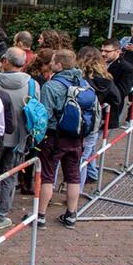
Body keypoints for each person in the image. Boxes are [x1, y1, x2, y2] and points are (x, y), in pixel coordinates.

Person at [37, 49, 93, 230]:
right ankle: (71, 215)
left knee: (47, 175)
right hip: (76, 137)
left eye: (53, 61)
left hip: (55, 136)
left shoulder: (51, 86)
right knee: (73, 176)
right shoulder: (84, 83)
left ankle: (41, 215)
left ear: (59, 65)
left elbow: (45, 115)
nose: (50, 63)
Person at [0, 48, 39, 229]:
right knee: (9, 176)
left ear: (5, 61)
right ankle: (2, 214)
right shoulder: (33, 85)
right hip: (19, 139)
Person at [77, 46, 121, 189]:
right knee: (85, 156)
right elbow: (117, 98)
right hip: (95, 120)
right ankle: (79, 189)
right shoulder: (107, 78)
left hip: (76, 119)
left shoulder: (78, 77)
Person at [101, 39, 133, 127]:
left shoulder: (126, 68)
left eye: (107, 51)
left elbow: (122, 92)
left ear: (118, 52)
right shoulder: (98, 63)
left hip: (110, 108)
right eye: (102, 50)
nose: (103, 54)